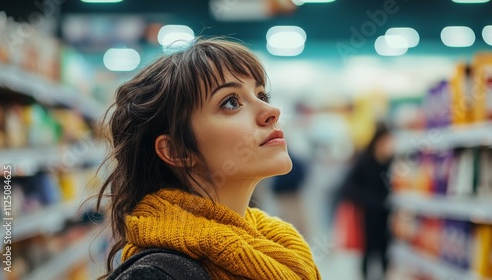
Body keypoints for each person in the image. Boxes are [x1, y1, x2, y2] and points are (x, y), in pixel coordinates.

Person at [94, 37, 321, 280]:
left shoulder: (280, 245)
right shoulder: (158, 274)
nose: (272, 112)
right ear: (176, 150)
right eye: (231, 102)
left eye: (262, 96)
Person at [337, 122, 394, 280]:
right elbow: (347, 188)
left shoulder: (390, 161)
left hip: (386, 216)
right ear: (379, 141)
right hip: (367, 216)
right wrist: (371, 200)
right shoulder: (365, 161)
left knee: (385, 251)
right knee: (368, 252)